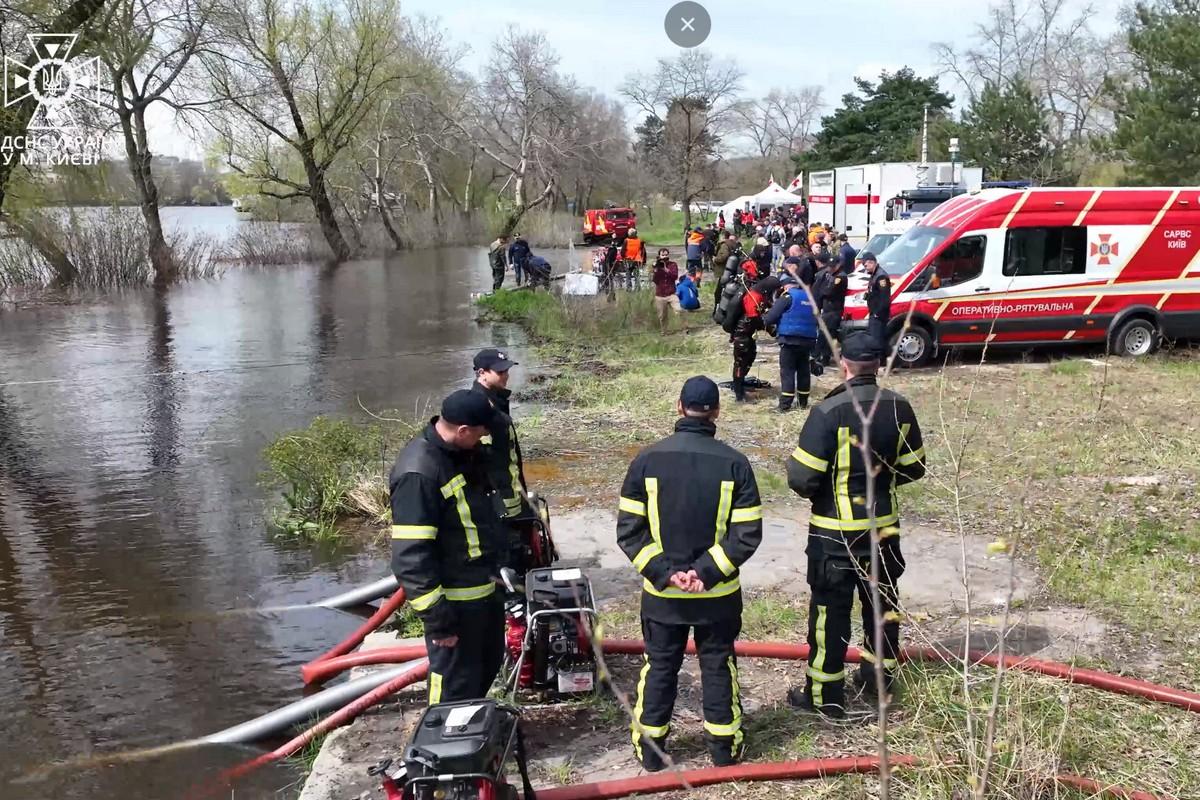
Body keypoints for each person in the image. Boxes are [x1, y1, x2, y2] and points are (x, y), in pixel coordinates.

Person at [618, 376, 764, 770]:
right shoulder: (735, 463)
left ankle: (652, 754)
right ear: (716, 411)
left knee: (660, 665)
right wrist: (705, 573)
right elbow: (746, 534)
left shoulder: (646, 461)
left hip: (663, 597)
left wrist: (667, 574)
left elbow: (629, 532)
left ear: (679, 407)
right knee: (717, 664)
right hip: (717, 595)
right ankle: (723, 750)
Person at [784, 331, 926, 717]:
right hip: (883, 530)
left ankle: (825, 698)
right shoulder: (899, 408)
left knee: (830, 614)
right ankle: (878, 683)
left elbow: (802, 478)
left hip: (834, 536)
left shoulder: (828, 412)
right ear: (878, 365)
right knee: (882, 607)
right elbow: (915, 467)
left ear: (843, 365)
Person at [390, 390, 506, 704]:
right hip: (454, 606)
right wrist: (438, 620)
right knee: (454, 684)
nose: (483, 439)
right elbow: (410, 557)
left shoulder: (459, 454)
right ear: (463, 430)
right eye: (480, 434)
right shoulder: (419, 474)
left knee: (485, 668)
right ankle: (441, 732)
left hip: (483, 593)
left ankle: (473, 729)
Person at [763, 274, 819, 411]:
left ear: (786, 286)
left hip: (790, 340)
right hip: (808, 340)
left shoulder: (787, 297)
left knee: (787, 371)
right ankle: (803, 402)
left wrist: (764, 317)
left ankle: (785, 404)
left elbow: (770, 318)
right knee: (804, 371)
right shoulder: (810, 298)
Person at [730, 275, 779, 402]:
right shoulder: (753, 297)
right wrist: (771, 329)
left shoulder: (761, 294)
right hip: (742, 334)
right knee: (740, 362)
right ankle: (739, 394)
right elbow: (754, 318)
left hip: (748, 334)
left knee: (750, 357)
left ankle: (740, 386)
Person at [812, 251, 848, 368]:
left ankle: (821, 356)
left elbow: (828, 291)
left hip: (834, 310)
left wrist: (822, 290)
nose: (830, 269)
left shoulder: (840, 277)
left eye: (833, 266)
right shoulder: (830, 275)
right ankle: (822, 356)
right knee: (826, 334)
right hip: (828, 309)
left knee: (826, 334)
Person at [861, 251, 891, 359]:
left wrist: (877, 313)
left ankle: (880, 360)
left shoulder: (881, 276)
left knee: (877, 338)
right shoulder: (874, 274)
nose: (865, 268)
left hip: (879, 314)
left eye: (866, 265)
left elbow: (884, 298)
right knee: (875, 337)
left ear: (872, 262)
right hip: (874, 312)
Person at [652, 248, 681, 334]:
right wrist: (656, 270)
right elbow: (655, 281)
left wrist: (666, 269)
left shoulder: (673, 265)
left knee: (679, 310)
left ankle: (684, 328)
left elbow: (675, 276)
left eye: (666, 255)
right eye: (663, 255)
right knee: (662, 316)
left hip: (671, 293)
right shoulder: (656, 265)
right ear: (659, 256)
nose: (664, 256)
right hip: (660, 294)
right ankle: (664, 331)